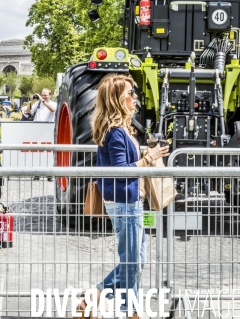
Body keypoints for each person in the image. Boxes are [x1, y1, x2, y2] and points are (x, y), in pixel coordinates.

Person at [75, 74, 169, 319]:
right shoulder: (115, 132)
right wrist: (149, 158)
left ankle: (94, 298)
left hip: (128, 201)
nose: (135, 98)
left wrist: (147, 154)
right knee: (131, 262)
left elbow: (125, 163)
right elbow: (121, 170)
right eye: (130, 94)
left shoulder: (119, 129)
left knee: (136, 261)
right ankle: (130, 310)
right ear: (118, 100)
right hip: (124, 203)